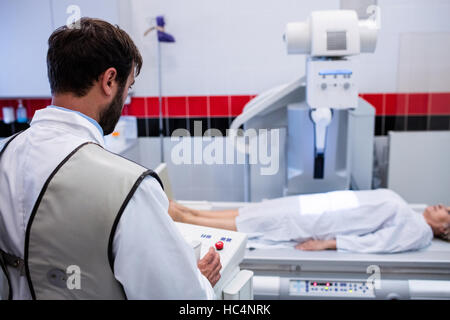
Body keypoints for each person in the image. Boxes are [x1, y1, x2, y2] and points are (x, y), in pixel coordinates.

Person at [0, 18, 221, 300]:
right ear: (109, 81)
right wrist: (199, 282)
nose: (125, 98)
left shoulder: (5, 155)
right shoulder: (126, 186)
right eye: (128, 87)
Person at [168, 189, 450, 254]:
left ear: (444, 228)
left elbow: (379, 243)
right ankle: (186, 212)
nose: (443, 207)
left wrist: (327, 244)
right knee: (252, 213)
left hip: (318, 221)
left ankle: (183, 218)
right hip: (317, 206)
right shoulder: (413, 215)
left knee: (255, 223)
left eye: (447, 213)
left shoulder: (419, 231)